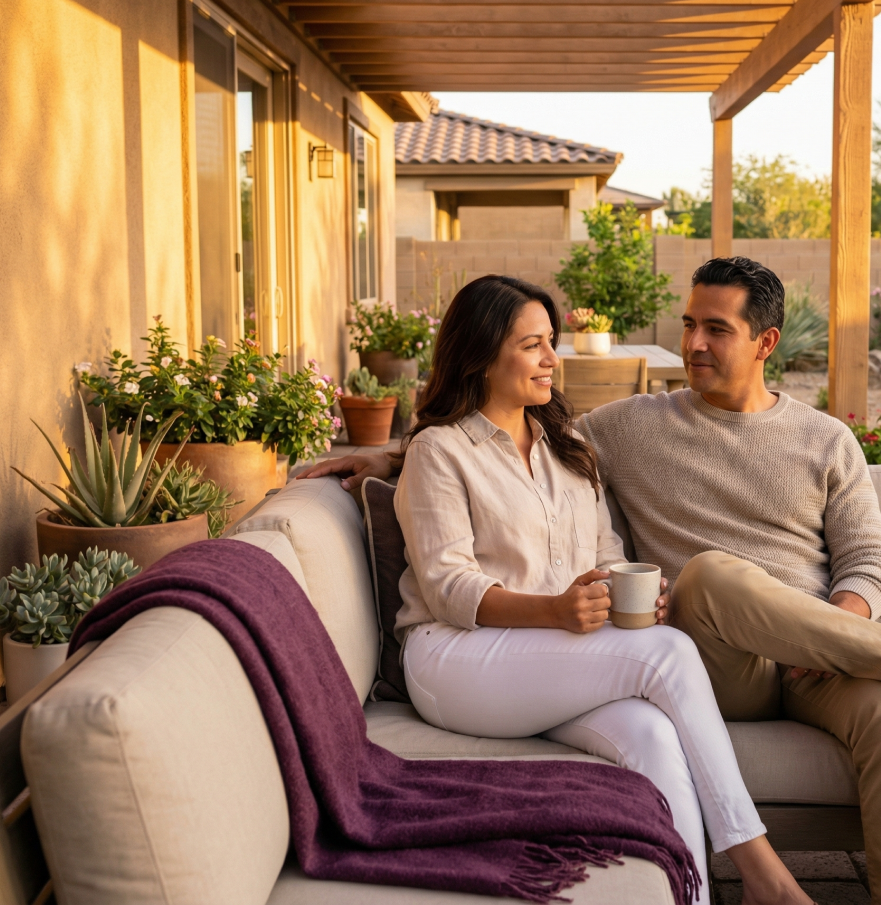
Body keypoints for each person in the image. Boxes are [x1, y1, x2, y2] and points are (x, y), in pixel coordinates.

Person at [300, 259, 881, 905]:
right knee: (712, 577)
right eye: (689, 323)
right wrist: (386, 457)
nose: (692, 343)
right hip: (713, 655)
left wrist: (840, 624)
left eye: (715, 330)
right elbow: (478, 444)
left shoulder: (826, 439)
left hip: (818, 651)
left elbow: (869, 563)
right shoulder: (627, 426)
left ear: (766, 343)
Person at [330, 274, 816, 905]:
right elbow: (449, 587)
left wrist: (630, 593)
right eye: (533, 345)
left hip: (546, 658)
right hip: (454, 656)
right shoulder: (439, 451)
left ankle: (692, 896)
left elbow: (605, 553)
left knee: (650, 734)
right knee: (668, 653)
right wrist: (557, 610)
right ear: (481, 355)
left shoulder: (568, 445)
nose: (552, 360)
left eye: (550, 342)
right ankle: (765, 876)